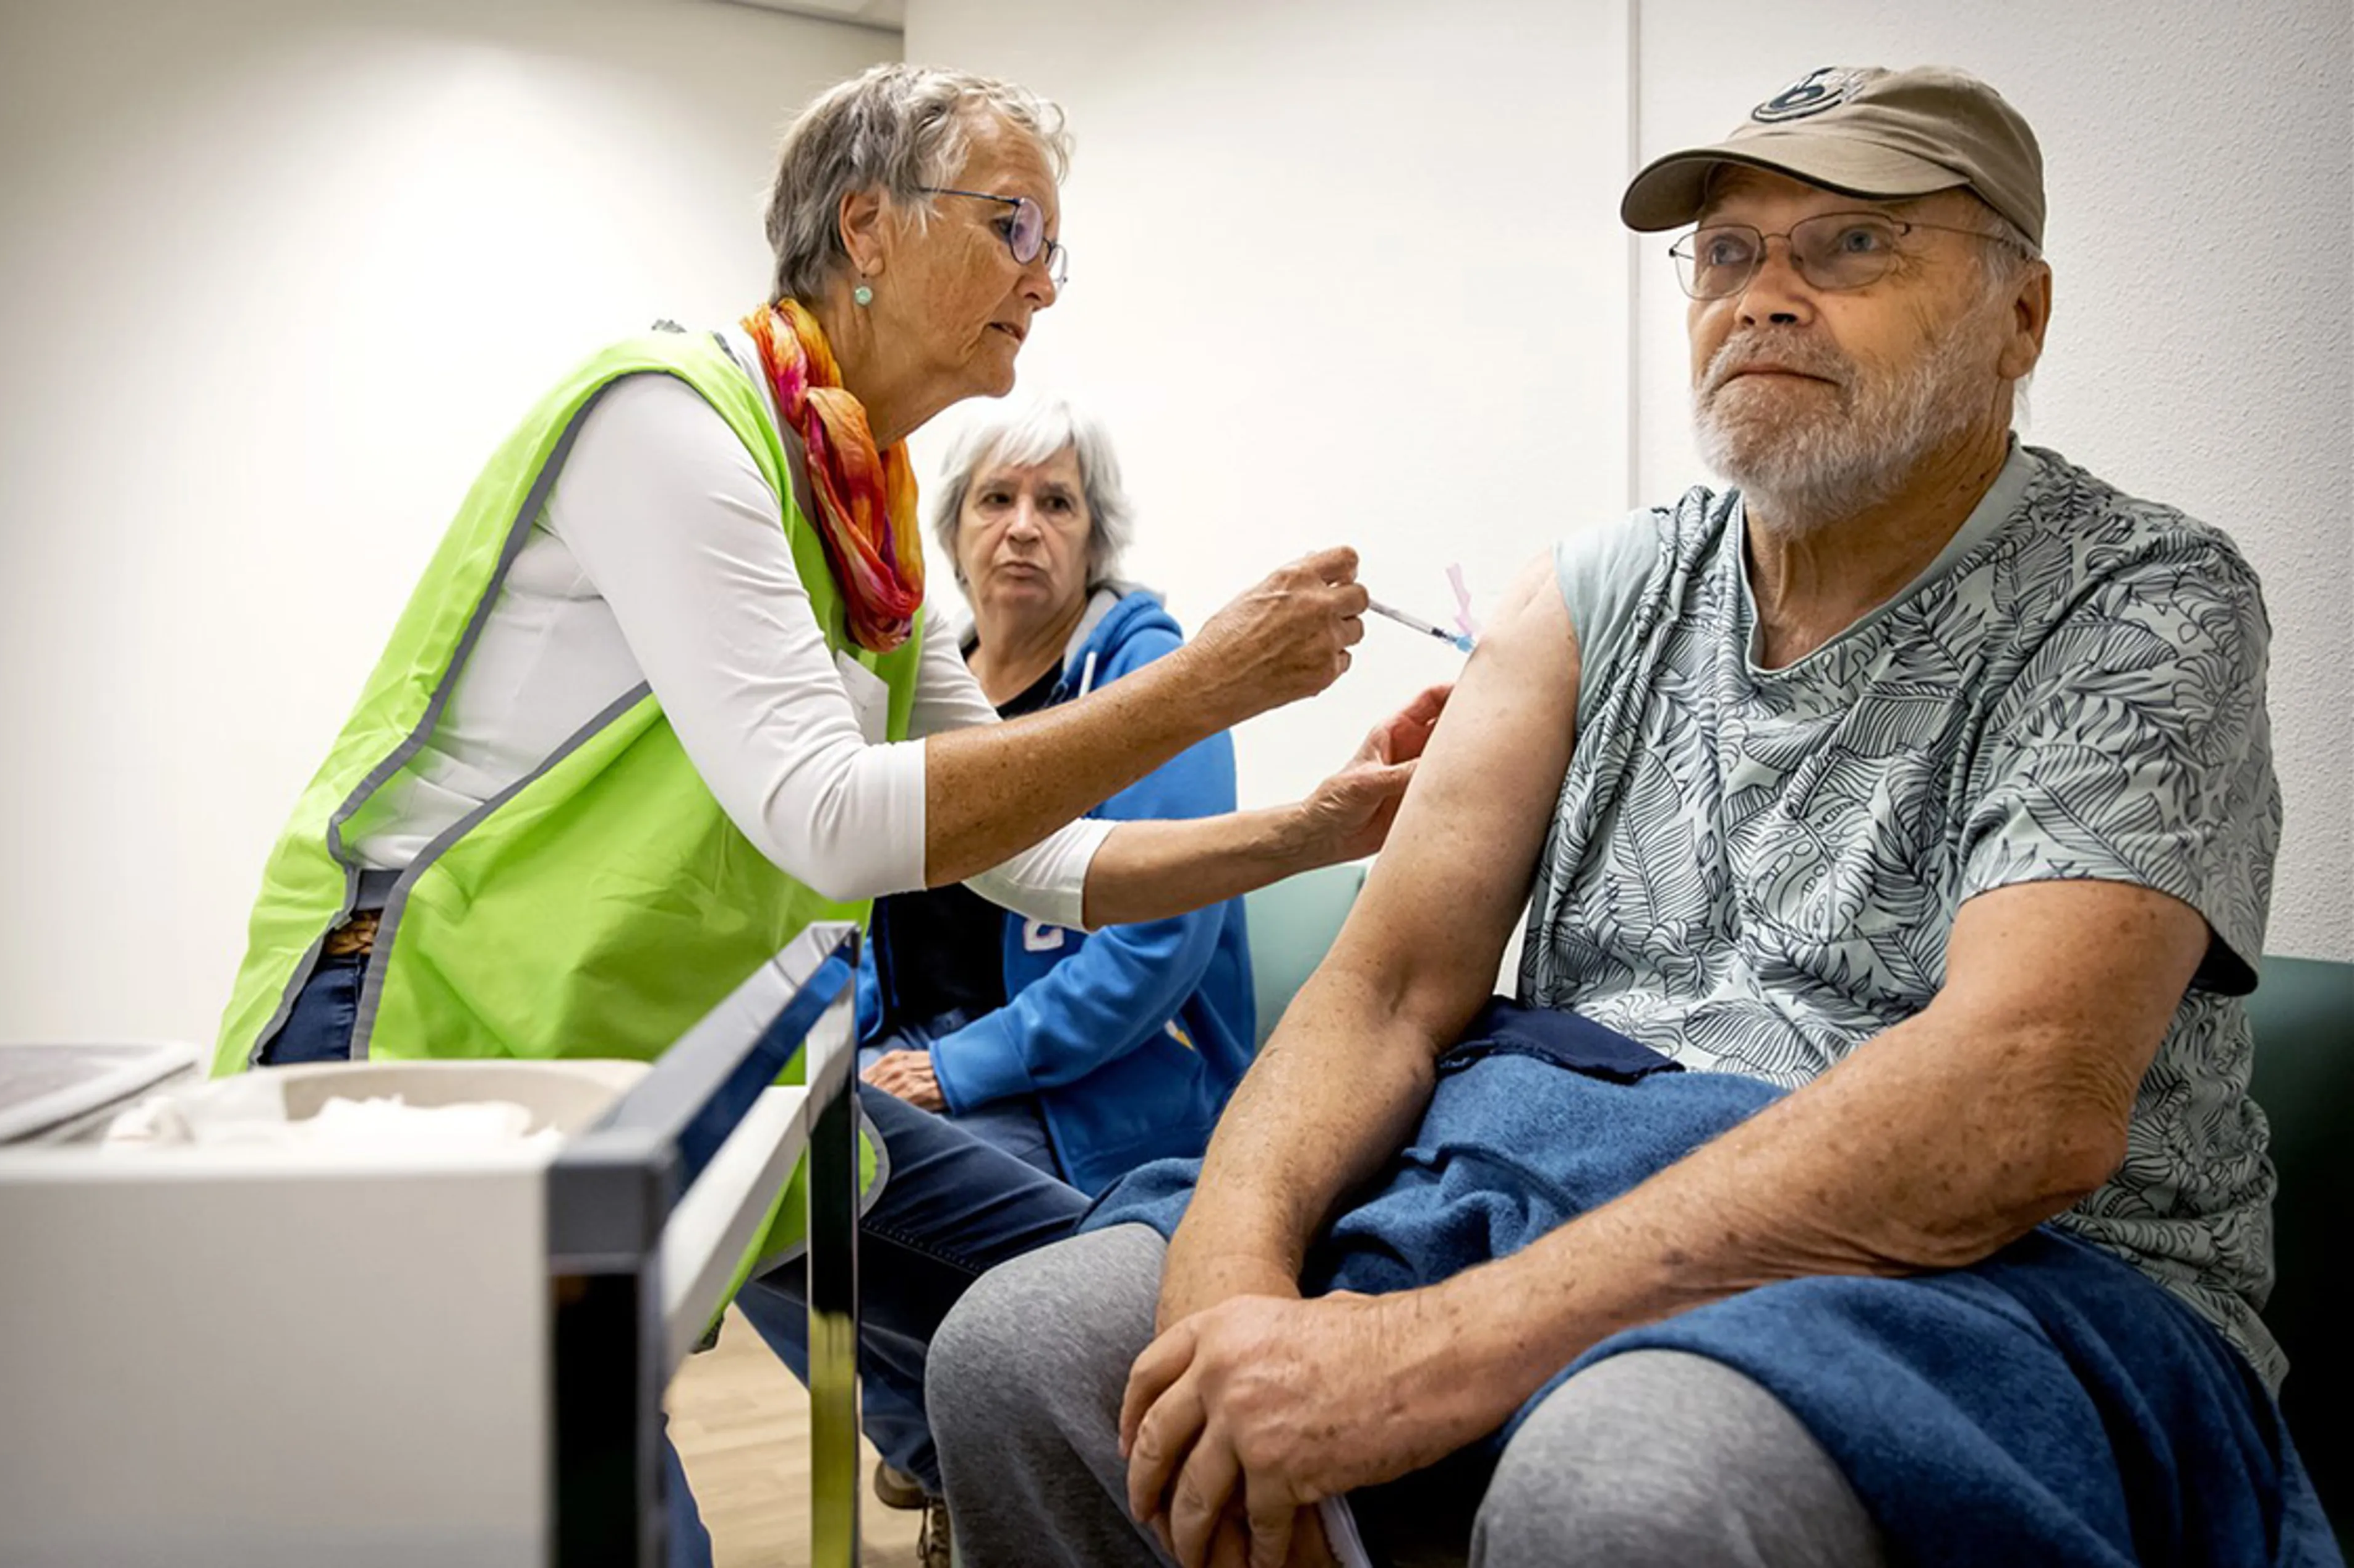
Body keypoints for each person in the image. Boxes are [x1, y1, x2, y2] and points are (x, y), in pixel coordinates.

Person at [927, 64, 2340, 1568]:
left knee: (1638, 1476)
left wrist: (1424, 1355)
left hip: (2003, 1275)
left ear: (2022, 317)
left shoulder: (2141, 604)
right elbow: (1390, 986)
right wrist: (1227, 1304)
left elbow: (2015, 1104)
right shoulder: (1594, 590)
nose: (1765, 296)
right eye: (1728, 253)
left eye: (1853, 244)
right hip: (1551, 1168)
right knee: (1028, 1349)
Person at [210, 62, 1440, 1567]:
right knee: (614, 1520)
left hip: (689, 1062)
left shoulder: (866, 519)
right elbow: (825, 816)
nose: (1043, 285)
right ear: (866, 225)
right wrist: (1206, 690)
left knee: (1085, 1310)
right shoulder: (672, 420)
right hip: (446, 1040)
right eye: (1012, 230)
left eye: (1055, 248)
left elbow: (1029, 857)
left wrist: (1317, 827)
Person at [855, 395, 1257, 1194]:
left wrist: (954, 1068)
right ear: (954, 533)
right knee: (742, 1146)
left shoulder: (1152, 681)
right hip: (908, 1043)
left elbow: (1155, 939)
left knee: (839, 1181)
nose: (1024, 526)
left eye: (1057, 502)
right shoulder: (916, 685)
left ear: (1095, 538)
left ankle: (933, 1326)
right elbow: (856, 892)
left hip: (1089, 1090)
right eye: (997, 498)